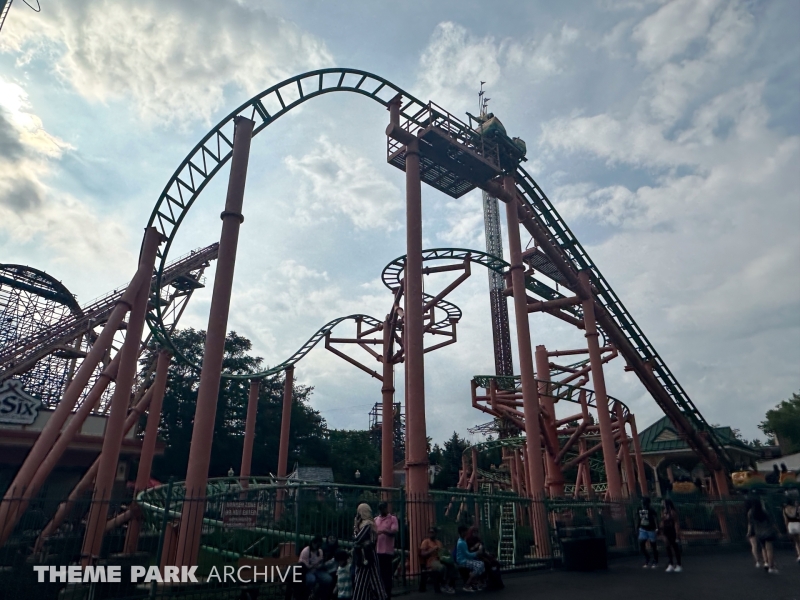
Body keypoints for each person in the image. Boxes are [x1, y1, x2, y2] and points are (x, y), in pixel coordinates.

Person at [352, 503, 386, 600]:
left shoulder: (367, 524)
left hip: (367, 554)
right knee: (374, 579)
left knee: (363, 580)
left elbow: (357, 538)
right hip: (366, 554)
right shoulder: (364, 524)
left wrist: (355, 528)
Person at [419, 527, 456, 594]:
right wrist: (432, 550)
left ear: (436, 533)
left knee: (452, 566)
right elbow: (422, 553)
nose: (431, 534)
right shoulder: (426, 542)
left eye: (432, 532)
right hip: (432, 561)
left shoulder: (439, 542)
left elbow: (443, 552)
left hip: (441, 559)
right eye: (430, 532)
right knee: (442, 567)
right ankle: (443, 584)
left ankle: (448, 583)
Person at [746, 496, 778, 574]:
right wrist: (777, 531)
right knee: (769, 550)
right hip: (767, 532)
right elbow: (771, 522)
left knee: (763, 548)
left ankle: (765, 562)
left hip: (759, 533)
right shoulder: (764, 511)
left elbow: (750, 524)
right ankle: (771, 566)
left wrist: (749, 532)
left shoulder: (750, 513)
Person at [374, 502, 398, 598]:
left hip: (387, 551)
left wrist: (383, 531)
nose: (383, 510)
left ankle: (387, 594)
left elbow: (394, 532)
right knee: (378, 574)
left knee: (387, 575)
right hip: (377, 551)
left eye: (384, 508)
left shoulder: (392, 519)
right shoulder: (375, 519)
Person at [455, 524, 484, 592]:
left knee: (481, 564)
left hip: (465, 559)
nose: (466, 533)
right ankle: (467, 584)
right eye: (465, 531)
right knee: (479, 565)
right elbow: (468, 555)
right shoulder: (461, 542)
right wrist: (477, 553)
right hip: (462, 561)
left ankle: (474, 580)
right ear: (462, 532)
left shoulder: (463, 540)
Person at [637, 497, 659, 568]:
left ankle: (655, 560)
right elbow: (639, 518)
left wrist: (656, 527)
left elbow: (655, 518)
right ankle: (648, 558)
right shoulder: (640, 509)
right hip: (643, 528)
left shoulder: (651, 510)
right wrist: (638, 527)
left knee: (653, 546)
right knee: (642, 544)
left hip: (651, 529)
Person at [660, 499, 682, 573]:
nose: (663, 504)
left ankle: (679, 564)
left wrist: (677, 533)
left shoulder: (672, 512)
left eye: (664, 503)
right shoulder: (664, 512)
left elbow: (676, 523)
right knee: (667, 547)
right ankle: (671, 563)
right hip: (666, 531)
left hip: (672, 531)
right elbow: (662, 521)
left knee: (675, 547)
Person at [782, 489, 800, 563]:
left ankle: (799, 555)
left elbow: (785, 520)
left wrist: (787, 529)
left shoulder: (785, 509)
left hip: (790, 525)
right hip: (798, 524)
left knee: (796, 542)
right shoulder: (797, 507)